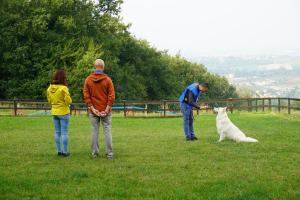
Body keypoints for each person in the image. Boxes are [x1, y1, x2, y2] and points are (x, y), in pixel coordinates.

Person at [84, 59, 115, 159]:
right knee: (107, 131)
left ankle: (94, 154)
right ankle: (109, 154)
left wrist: (92, 108)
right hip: (105, 110)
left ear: (94, 66)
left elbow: (86, 95)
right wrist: (107, 109)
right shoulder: (108, 80)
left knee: (94, 131)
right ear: (103, 67)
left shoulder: (88, 79)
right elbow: (112, 96)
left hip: (93, 110)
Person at [47, 69, 72, 156]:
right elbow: (69, 101)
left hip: (54, 112)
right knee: (64, 132)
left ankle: (59, 151)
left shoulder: (49, 88)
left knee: (57, 132)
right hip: (64, 112)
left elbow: (49, 101)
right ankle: (65, 152)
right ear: (63, 78)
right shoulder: (63, 88)